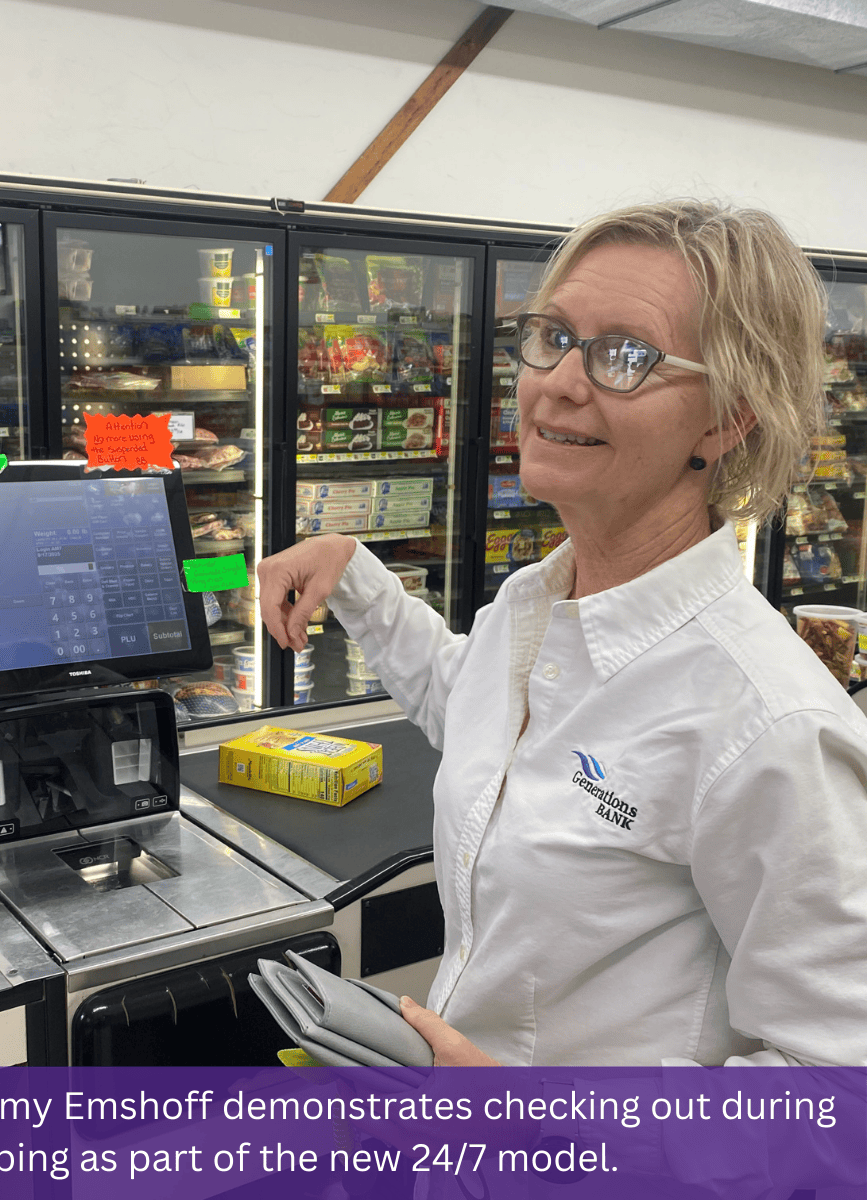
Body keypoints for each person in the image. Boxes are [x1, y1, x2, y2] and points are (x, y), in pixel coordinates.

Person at [257, 200, 867, 1069]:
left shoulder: (770, 725)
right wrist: (353, 570)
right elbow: (471, 710)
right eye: (552, 336)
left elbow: (837, 1084)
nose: (561, 382)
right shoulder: (535, 603)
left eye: (626, 355)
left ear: (728, 417)